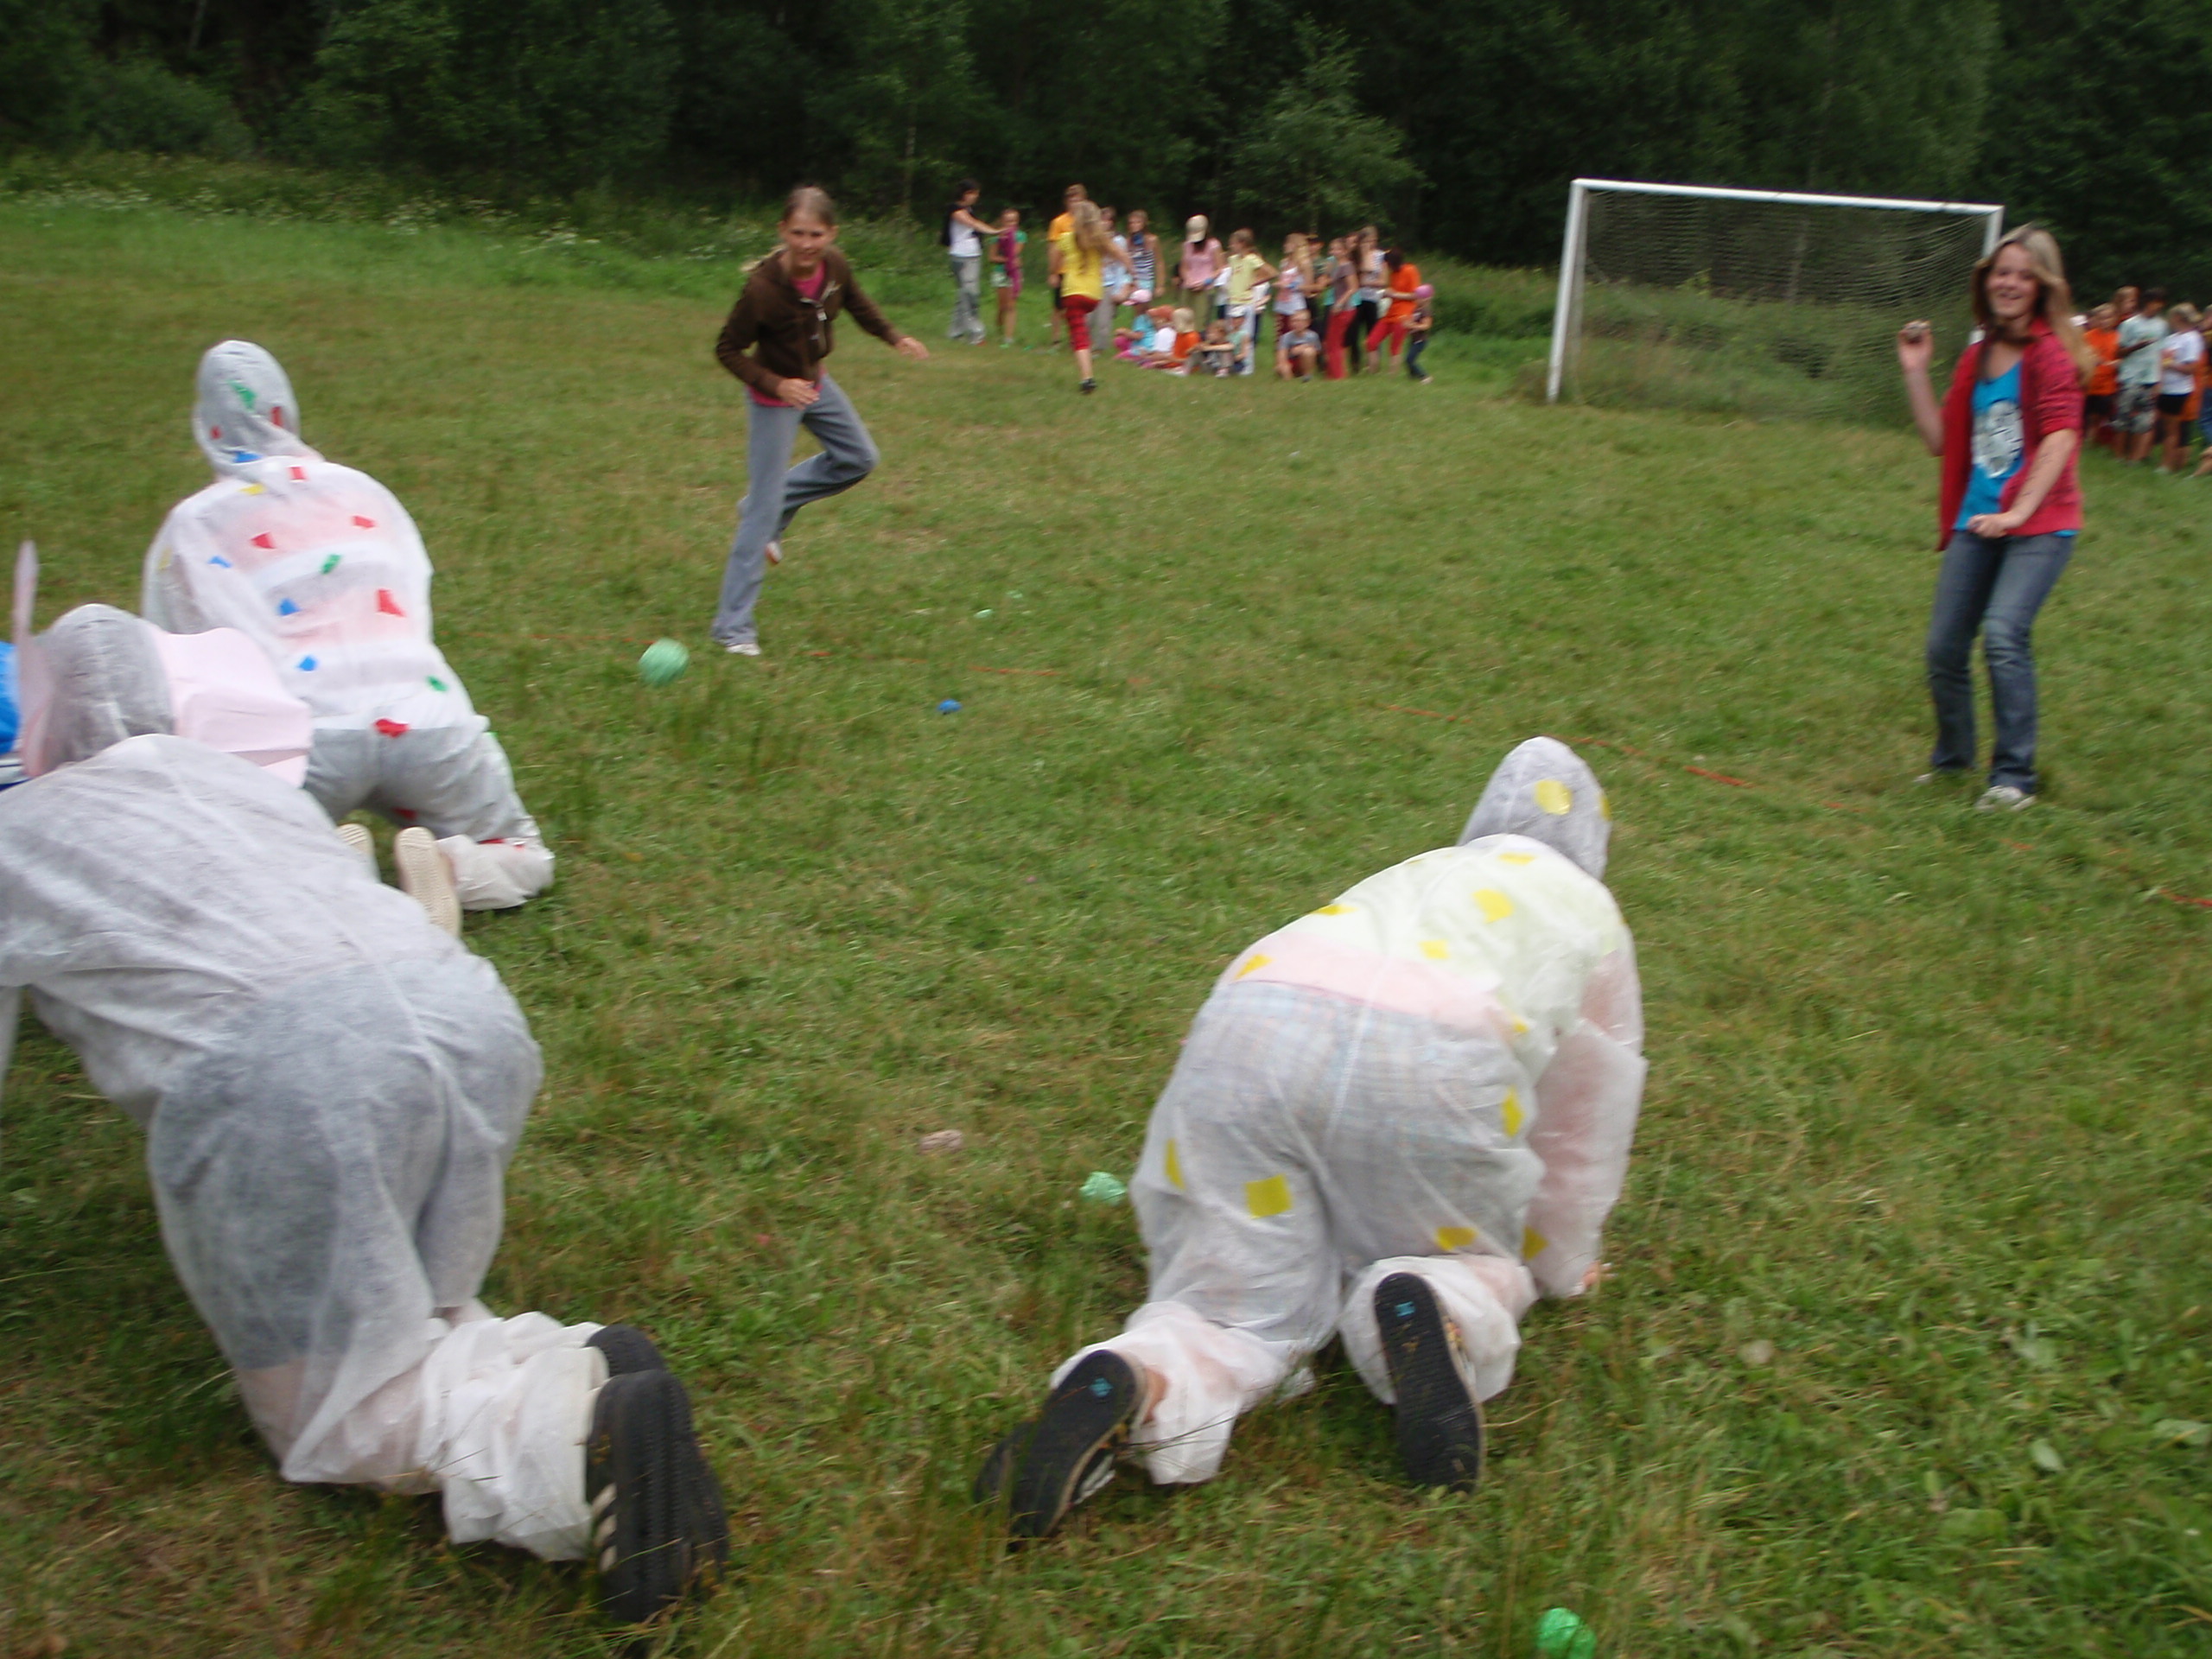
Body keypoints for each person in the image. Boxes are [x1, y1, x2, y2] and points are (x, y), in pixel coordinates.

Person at [1, 597, 729, 1626]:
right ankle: (569, 1361)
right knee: (407, 1303)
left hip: (284, 1072)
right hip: (463, 1014)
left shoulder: (23, 829)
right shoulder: (241, 785)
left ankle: (567, 1441)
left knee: (332, 1411)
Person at [974, 739, 1645, 1540]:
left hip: (1249, 1033)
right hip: (1439, 1059)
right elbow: (1583, 1121)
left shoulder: (1424, 869)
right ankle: (1436, 1295)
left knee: (1229, 1306)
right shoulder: (1591, 915)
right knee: (1471, 1255)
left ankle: (1141, 1374)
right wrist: (1561, 1262)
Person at [143, 340, 554, 931]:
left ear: (206, 426)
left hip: (302, 742)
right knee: (522, 851)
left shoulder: (194, 523)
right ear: (287, 411)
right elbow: (411, 587)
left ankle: (325, 867)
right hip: (426, 720)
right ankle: (452, 866)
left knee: (237, 866)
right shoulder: (365, 490)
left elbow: (174, 661)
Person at [1896, 225, 2090, 812]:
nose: (2010, 283)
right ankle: (1954, 762)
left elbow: (2060, 437)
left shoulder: (2051, 356)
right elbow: (1939, 439)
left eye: (2024, 275)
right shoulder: (1976, 357)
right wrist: (1914, 369)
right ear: (1987, 280)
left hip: (2040, 524)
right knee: (1944, 648)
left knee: (2004, 634)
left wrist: (2019, 511)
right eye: (2002, 272)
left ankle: (2013, 778)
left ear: (2042, 286)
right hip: (1978, 520)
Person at [710, 186, 930, 657]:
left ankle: (764, 505)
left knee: (859, 457)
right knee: (763, 511)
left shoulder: (834, 267)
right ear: (782, 232)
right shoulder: (762, 290)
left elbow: (858, 303)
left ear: (831, 234)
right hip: (774, 398)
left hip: (815, 384)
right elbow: (727, 350)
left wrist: (894, 337)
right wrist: (775, 385)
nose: (806, 244)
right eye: (797, 233)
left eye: (815, 234)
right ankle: (733, 628)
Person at [1051, 199, 1111, 394]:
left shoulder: (1066, 238)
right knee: (1083, 330)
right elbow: (1120, 254)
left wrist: (1053, 274)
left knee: (1079, 335)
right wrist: (1132, 273)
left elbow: (1054, 260)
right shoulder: (1100, 239)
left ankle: (1087, 378)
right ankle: (1089, 351)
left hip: (1073, 292)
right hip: (1094, 295)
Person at [2114, 286, 2168, 464]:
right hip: (2130, 377)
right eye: (2155, 303)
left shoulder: (2162, 325)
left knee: (2144, 422)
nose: (2158, 307)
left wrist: (2159, 380)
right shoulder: (2130, 324)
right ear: (2147, 302)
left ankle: (2134, 459)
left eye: (2161, 303)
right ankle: (2119, 456)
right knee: (2123, 418)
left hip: (2150, 379)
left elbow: (2161, 354)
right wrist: (2137, 346)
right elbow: (2119, 352)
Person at [944, 180, 995, 346]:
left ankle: (955, 332)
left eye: (976, 193)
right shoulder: (956, 210)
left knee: (964, 295)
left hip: (973, 255)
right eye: (972, 193)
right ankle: (976, 334)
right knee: (971, 294)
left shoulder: (970, 210)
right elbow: (973, 224)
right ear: (964, 194)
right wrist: (994, 231)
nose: (975, 196)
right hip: (961, 256)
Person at [1221, 229, 1276, 377]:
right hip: (1233, 300)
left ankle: (1247, 366)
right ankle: (1230, 364)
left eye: (1233, 243)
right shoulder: (1233, 259)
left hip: (1246, 302)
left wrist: (1255, 282)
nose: (1231, 246)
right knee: (1231, 335)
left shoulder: (1252, 259)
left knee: (1246, 336)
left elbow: (1272, 272)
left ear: (1242, 244)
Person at [2156, 303, 2203, 473]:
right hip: (2164, 387)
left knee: (2171, 429)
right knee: (2162, 426)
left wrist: (2170, 364)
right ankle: (2164, 460)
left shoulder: (2192, 338)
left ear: (2177, 317)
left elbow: (2191, 368)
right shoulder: (2173, 337)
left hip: (2178, 389)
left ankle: (2167, 464)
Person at [1366, 248, 1422, 372]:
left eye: (1387, 264)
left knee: (1395, 346)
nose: (1386, 266)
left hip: (1404, 313)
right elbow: (1393, 292)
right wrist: (1386, 294)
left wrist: (1395, 294)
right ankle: (1372, 371)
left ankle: (1393, 374)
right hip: (1391, 312)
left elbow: (1415, 295)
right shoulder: (1393, 274)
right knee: (1371, 342)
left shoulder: (1410, 270)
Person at [1047, 184, 1088, 350]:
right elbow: (1053, 248)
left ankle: (1077, 339)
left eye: (1078, 200)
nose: (1075, 204)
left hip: (1081, 270)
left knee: (1078, 307)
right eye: (1072, 200)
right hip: (1063, 269)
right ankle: (1056, 339)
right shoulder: (1059, 222)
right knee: (1059, 306)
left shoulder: (1087, 222)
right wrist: (1053, 272)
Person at [2081, 302, 2120, 452]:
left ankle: (2092, 442)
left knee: (2098, 416)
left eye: (2108, 318)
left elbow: (2122, 358)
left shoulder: (2118, 337)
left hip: (2107, 385)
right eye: (2102, 318)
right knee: (2085, 415)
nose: (2105, 321)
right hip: (2088, 383)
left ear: (2114, 319)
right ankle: (2085, 441)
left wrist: (2116, 363)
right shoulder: (2088, 336)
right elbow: (2080, 354)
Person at [1323, 237, 1359, 379]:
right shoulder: (1337, 265)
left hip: (1344, 308)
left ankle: (1338, 374)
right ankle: (1332, 372)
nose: (1334, 251)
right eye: (1332, 249)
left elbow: (1353, 287)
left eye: (1338, 249)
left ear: (1345, 251)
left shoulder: (1347, 266)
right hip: (1338, 306)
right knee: (1331, 340)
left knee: (1335, 341)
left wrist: (1340, 303)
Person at [1179, 216, 1224, 331]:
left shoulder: (1213, 245)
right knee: (1184, 319)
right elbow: (1184, 267)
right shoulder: (1187, 245)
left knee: (1201, 322)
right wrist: (1188, 279)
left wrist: (1206, 282)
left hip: (1205, 288)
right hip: (1189, 286)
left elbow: (1220, 268)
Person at [990, 207, 1027, 347]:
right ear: (1002, 221)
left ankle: (1008, 337)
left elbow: (1015, 252)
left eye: (1014, 221)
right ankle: (999, 327)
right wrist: (1006, 260)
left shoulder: (1020, 236)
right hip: (1000, 272)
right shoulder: (996, 237)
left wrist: (1011, 259)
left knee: (1011, 306)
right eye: (1008, 221)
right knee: (1002, 306)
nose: (1011, 224)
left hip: (1014, 273)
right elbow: (992, 257)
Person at [1272, 233, 1313, 353]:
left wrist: (1293, 286)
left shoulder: (1304, 264)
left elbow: (1309, 287)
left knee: (1294, 336)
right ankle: (1281, 359)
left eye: (1288, 243)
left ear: (1296, 245)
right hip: (1281, 304)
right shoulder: (1284, 263)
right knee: (1280, 336)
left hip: (1295, 305)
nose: (1285, 246)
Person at [1122, 209, 1160, 315]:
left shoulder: (1152, 240)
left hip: (1146, 278)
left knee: (1146, 309)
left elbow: (1159, 263)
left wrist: (1160, 285)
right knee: (1136, 309)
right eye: (1131, 223)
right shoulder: (1127, 241)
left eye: (1138, 222)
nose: (1134, 225)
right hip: (1133, 279)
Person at [1274, 308, 1320, 380]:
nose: (1297, 324)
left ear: (1307, 323)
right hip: (1290, 362)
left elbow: (1317, 352)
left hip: (1304, 361)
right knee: (1283, 367)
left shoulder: (1313, 336)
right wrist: (1291, 353)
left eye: (1300, 321)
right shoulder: (1286, 337)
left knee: (1309, 351)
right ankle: (1290, 381)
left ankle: (1307, 375)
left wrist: (1303, 348)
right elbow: (1281, 356)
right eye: (1294, 321)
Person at [1404, 283, 1436, 382]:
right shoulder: (1416, 309)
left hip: (1420, 340)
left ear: (1425, 299)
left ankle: (1425, 376)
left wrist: (1413, 326)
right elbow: (1414, 321)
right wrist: (1407, 322)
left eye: (1418, 297)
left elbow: (1426, 325)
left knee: (1409, 359)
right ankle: (1412, 377)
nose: (1415, 299)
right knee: (1409, 359)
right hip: (1414, 339)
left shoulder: (1425, 311)